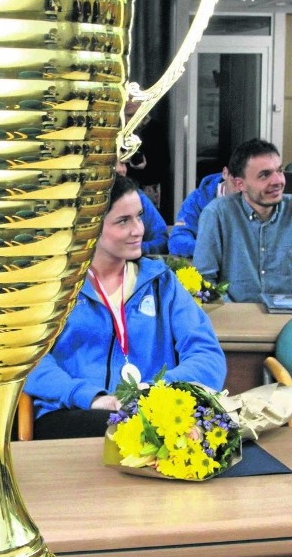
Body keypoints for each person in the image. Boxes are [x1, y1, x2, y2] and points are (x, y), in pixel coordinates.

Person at [24, 174, 227, 439]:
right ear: (90, 227)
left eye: (139, 216)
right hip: (71, 413)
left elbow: (207, 354)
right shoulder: (54, 287)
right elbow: (29, 359)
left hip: (153, 412)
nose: (138, 230)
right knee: (125, 432)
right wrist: (91, 397)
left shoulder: (161, 282)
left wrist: (158, 390)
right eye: (123, 221)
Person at [193, 138, 292, 303]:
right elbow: (203, 282)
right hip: (235, 319)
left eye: (279, 171)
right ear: (240, 184)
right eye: (265, 175)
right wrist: (232, 313)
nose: (278, 181)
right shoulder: (217, 214)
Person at [168, 167, 239, 257]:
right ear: (225, 173)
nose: (240, 189)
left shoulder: (258, 200)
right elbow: (177, 240)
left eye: (245, 184)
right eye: (235, 182)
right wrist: (209, 250)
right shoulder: (197, 199)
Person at [115, 159, 168, 254]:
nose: (121, 169)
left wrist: (136, 248)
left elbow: (162, 239)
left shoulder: (137, 197)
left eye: (122, 163)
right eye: (111, 163)